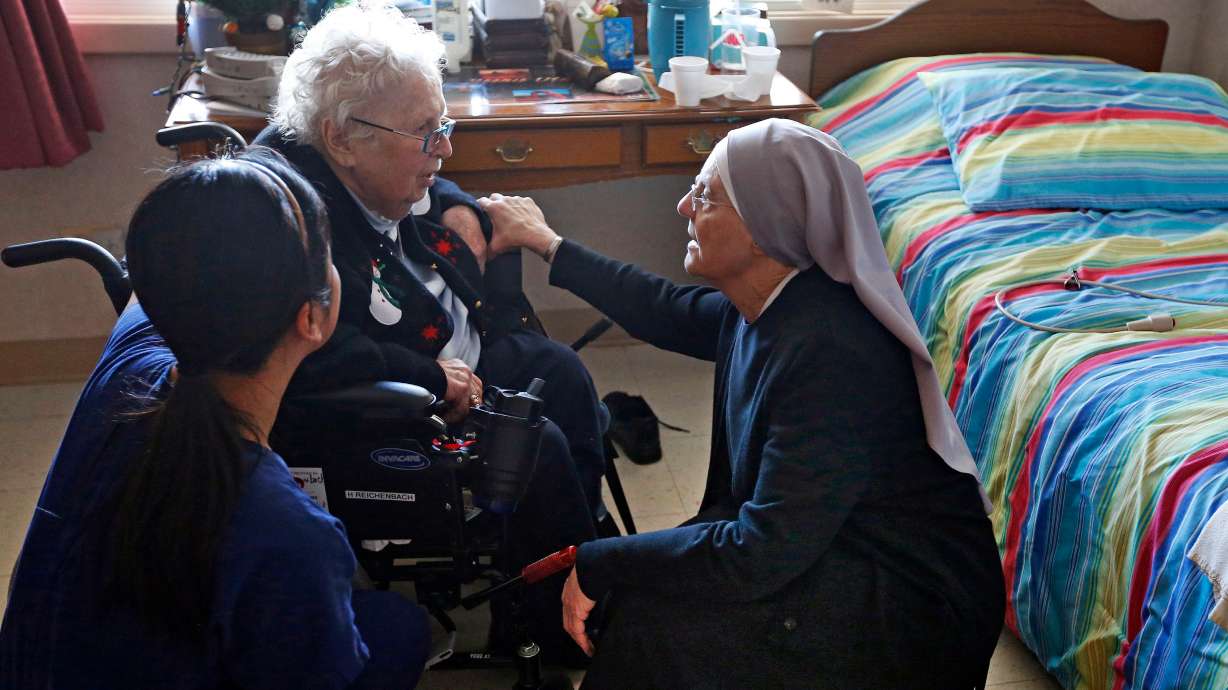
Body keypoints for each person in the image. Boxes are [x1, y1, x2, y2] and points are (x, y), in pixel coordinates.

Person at [479, 118, 1007, 689]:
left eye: (704, 195)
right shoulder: (768, 304)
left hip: (907, 601)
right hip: (831, 548)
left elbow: (761, 550)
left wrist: (601, 558)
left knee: (655, 624)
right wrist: (546, 243)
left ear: (763, 224)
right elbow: (662, 308)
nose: (683, 206)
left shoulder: (831, 352)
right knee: (643, 600)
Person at [0, 148, 431, 689]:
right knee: (401, 628)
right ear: (312, 318)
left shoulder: (132, 358)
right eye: (329, 255)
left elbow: (185, 254)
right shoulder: (290, 535)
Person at [254, 3, 599, 663]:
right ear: (340, 138)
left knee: (561, 373)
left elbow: (433, 183)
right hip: (395, 406)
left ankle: (581, 559)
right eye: (426, 133)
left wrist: (462, 205)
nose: (444, 146)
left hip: (456, 355)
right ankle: (556, 630)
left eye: (444, 124)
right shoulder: (286, 218)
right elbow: (315, 353)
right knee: (540, 447)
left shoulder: (363, 153)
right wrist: (431, 378)